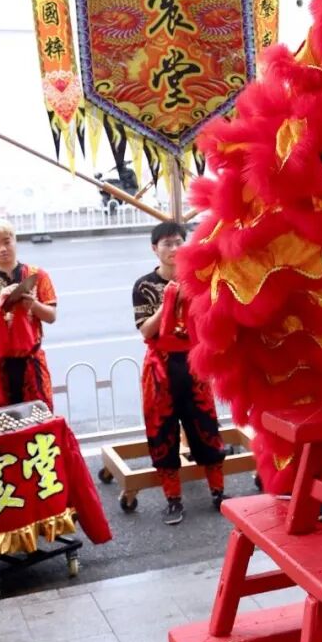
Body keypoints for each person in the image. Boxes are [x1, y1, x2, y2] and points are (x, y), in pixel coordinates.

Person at [133, 220, 228, 526]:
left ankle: (218, 492)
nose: (174, 249)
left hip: (194, 361)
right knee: (162, 430)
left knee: (206, 425)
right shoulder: (144, 286)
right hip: (160, 366)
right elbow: (145, 330)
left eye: (178, 242)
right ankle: (173, 499)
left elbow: (213, 318)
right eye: (167, 244)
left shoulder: (199, 278)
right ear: (154, 249)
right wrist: (168, 303)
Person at [0, 220, 57, 407]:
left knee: (39, 416)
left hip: (31, 360)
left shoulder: (37, 275)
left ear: (15, 241)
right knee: (2, 419)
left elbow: (51, 316)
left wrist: (33, 305)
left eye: (7, 242)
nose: (2, 249)